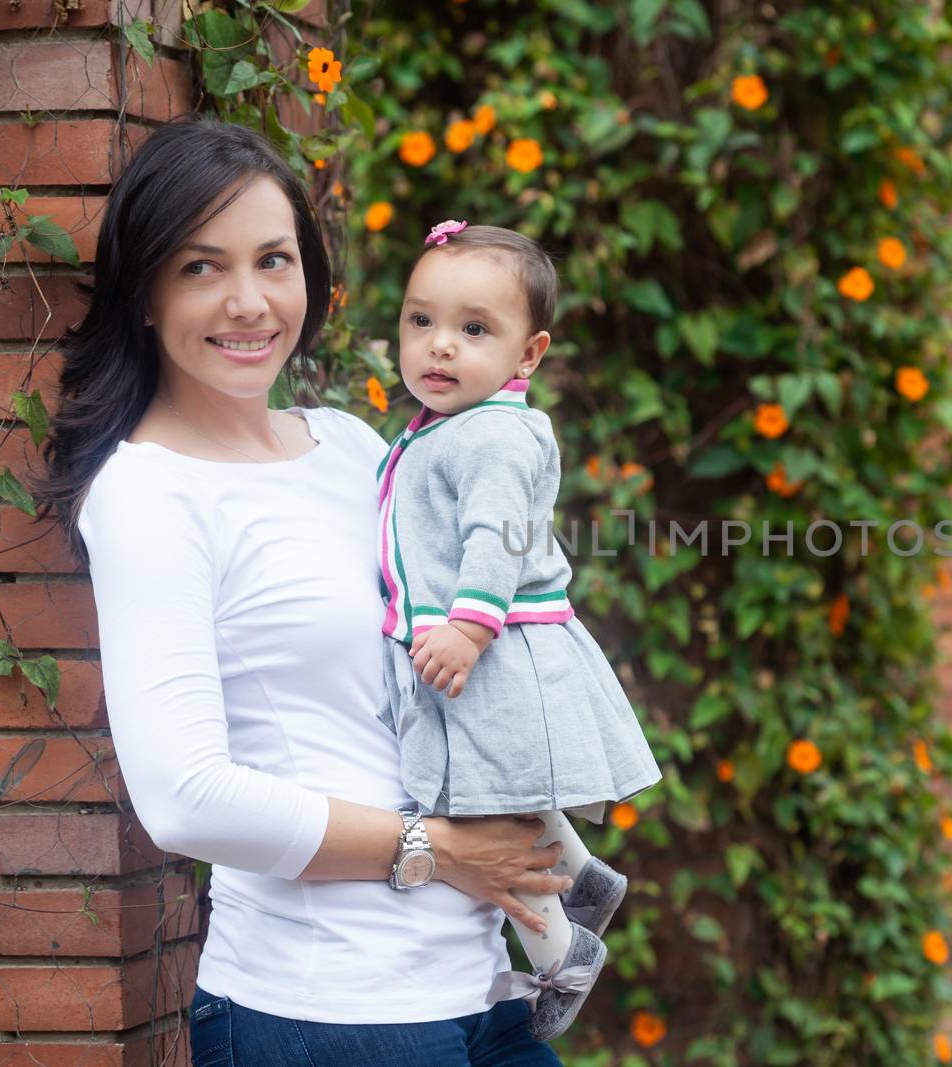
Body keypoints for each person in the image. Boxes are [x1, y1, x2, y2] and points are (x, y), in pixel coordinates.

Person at [37, 116, 568, 1066]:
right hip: (327, 1010)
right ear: (146, 295)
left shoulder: (354, 446)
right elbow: (187, 798)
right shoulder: (149, 493)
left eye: (273, 260)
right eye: (202, 267)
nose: (248, 302)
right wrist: (438, 847)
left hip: (480, 982)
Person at [376, 219, 661, 1040]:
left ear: (526, 355)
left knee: (484, 810)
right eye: (420, 321)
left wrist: (466, 627)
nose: (438, 346)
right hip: (486, 650)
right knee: (506, 795)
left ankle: (560, 953)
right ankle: (586, 879)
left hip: (490, 648)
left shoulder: (494, 432)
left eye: (473, 330)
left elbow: (493, 539)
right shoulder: (450, 424)